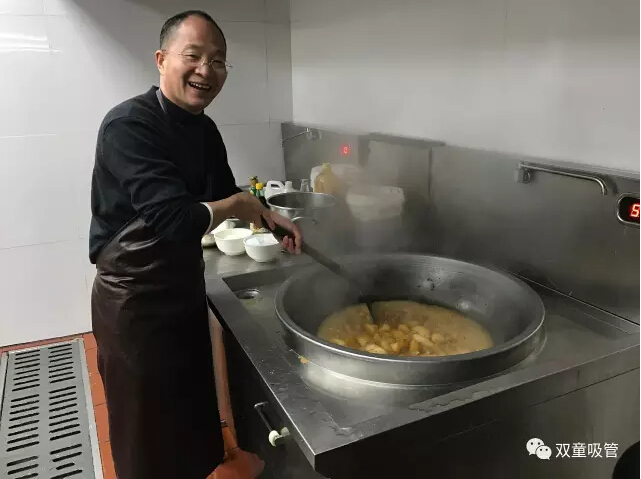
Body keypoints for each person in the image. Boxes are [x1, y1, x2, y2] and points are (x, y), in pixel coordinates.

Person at [89, 10, 301, 479]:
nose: (206, 69)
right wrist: (239, 205)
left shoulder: (204, 129)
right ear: (162, 59)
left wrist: (270, 219)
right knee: (145, 426)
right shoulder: (129, 125)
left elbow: (225, 191)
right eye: (194, 55)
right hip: (135, 303)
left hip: (182, 289)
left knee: (190, 410)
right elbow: (172, 219)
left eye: (218, 60)